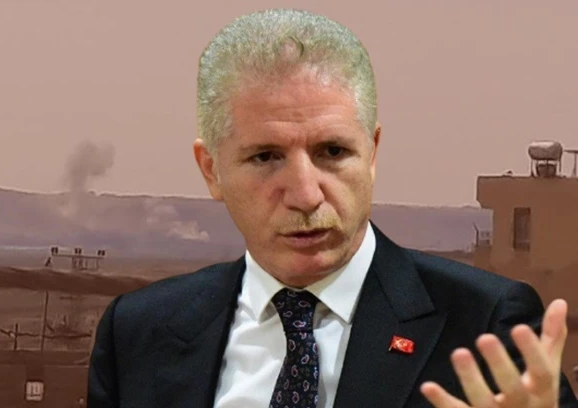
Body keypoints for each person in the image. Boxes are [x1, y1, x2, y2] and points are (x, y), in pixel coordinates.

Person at [87, 8, 578, 408]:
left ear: (373, 154)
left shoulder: (484, 323)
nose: (306, 195)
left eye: (333, 152)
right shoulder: (139, 332)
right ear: (211, 170)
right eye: (266, 157)